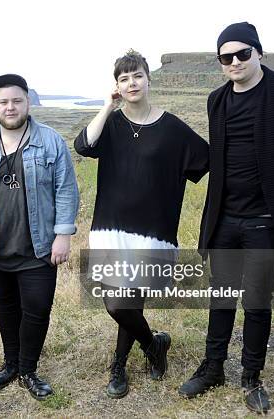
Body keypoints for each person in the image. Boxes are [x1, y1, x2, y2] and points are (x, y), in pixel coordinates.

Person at [179, 22, 274, 413]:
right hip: (224, 218)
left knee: (257, 299)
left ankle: (251, 376)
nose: (235, 62)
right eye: (226, 57)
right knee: (220, 295)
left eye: (243, 53)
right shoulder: (216, 100)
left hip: (265, 220)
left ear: (259, 52)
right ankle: (213, 369)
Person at [74, 51, 209, 398]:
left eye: (136, 76)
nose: (131, 83)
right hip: (110, 226)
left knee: (128, 302)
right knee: (116, 302)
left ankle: (118, 365)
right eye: (123, 78)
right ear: (117, 85)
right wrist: (107, 106)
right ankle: (153, 344)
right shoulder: (113, 124)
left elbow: (207, 160)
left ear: (149, 79)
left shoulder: (172, 128)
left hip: (152, 231)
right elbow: (84, 145)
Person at [0, 74, 79, 400]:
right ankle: (11, 363)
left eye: (16, 100)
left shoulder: (50, 141)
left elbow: (66, 190)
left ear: (27, 102)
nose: (10, 107)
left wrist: (63, 235)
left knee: (37, 309)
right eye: (3, 102)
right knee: (7, 306)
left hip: (38, 247)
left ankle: (28, 370)